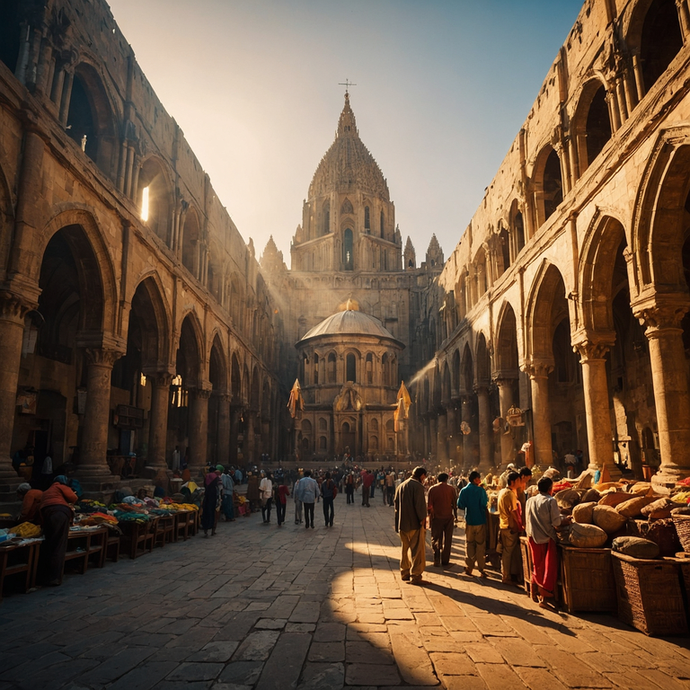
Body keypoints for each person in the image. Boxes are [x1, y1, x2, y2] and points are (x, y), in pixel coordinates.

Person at [526, 476, 568, 608]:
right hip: (546, 538)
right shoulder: (551, 501)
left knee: (536, 564)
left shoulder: (530, 500)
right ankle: (544, 597)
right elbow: (556, 523)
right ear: (551, 489)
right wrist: (566, 520)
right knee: (548, 568)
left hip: (532, 537)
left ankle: (534, 590)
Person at [39, 475, 78, 586]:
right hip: (60, 512)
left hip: (47, 513)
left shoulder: (46, 491)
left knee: (49, 543)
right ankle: (54, 577)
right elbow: (73, 498)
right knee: (59, 544)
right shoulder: (60, 486)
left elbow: (42, 508)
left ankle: (44, 575)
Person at [394, 466, 428, 585]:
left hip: (402, 524)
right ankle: (416, 575)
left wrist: (397, 523)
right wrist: (423, 522)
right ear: (422, 475)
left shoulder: (401, 486)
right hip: (415, 524)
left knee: (404, 549)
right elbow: (420, 506)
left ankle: (405, 572)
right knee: (417, 551)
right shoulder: (418, 486)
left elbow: (396, 506)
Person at [457, 470, 488, 577]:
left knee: (470, 543)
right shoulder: (481, 491)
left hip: (469, 520)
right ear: (475, 479)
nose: (480, 480)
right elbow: (484, 504)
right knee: (480, 544)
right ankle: (481, 568)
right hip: (480, 520)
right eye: (479, 478)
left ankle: (469, 567)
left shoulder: (464, 491)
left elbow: (460, 505)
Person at [498, 471, 523, 584]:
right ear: (512, 482)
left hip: (503, 524)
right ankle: (506, 576)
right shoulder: (510, 494)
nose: (520, 482)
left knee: (507, 551)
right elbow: (513, 512)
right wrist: (518, 525)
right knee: (508, 552)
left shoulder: (502, 491)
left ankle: (509, 573)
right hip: (509, 526)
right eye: (518, 480)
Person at [427, 473, 456, 567]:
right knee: (447, 539)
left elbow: (430, 505)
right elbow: (454, 504)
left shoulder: (432, 489)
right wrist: (455, 516)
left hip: (436, 517)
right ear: (446, 479)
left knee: (436, 538)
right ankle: (445, 560)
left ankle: (436, 558)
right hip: (448, 517)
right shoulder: (451, 489)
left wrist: (430, 516)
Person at [201, 466, 222, 537]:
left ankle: (205, 531)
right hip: (214, 497)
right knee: (214, 514)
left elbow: (205, 487)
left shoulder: (206, 477)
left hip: (207, 498)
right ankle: (213, 531)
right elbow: (220, 487)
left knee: (206, 513)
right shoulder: (217, 478)